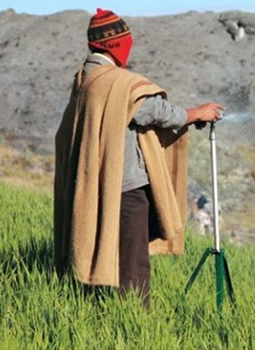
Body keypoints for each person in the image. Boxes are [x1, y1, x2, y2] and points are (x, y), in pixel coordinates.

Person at [53, 8, 223, 306]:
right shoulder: (115, 82)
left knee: (109, 251)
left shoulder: (85, 77)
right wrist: (197, 113)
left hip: (98, 182)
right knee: (133, 262)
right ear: (116, 43)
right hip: (125, 186)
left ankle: (101, 307)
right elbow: (153, 111)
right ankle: (134, 320)